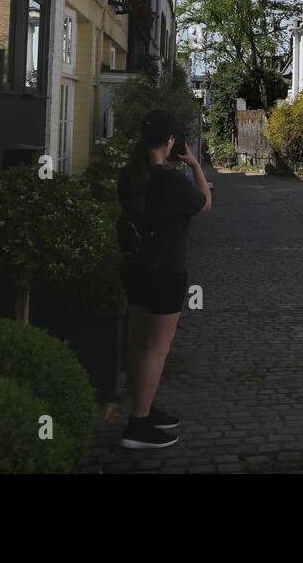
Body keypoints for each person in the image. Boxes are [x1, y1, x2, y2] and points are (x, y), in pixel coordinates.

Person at [116, 109, 211, 449]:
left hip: (135, 269)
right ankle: (138, 426)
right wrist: (195, 166)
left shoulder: (130, 174)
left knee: (138, 343)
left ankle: (143, 408)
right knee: (157, 348)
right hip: (166, 272)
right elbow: (204, 203)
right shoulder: (171, 180)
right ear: (171, 141)